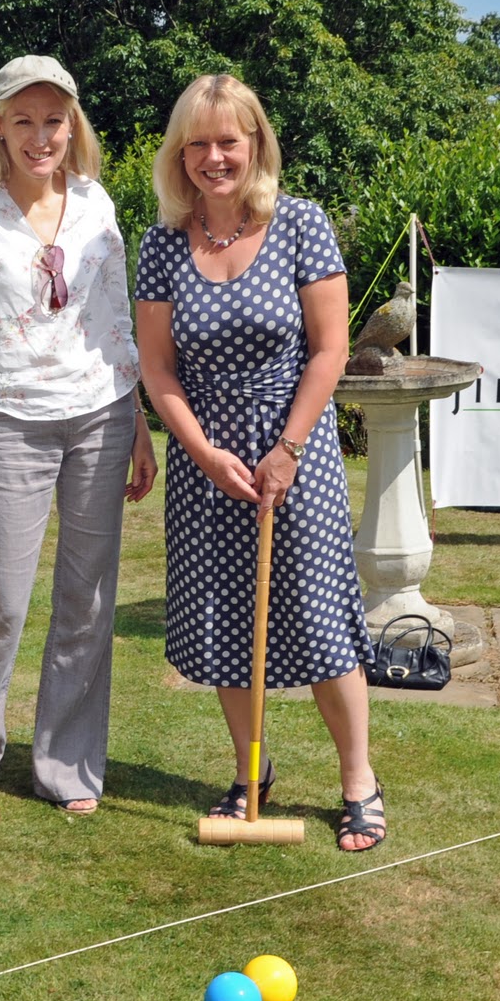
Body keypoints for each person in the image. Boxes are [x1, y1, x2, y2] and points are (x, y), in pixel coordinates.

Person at [134, 74, 386, 851]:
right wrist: (203, 453)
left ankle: (359, 781)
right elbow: (157, 367)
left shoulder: (301, 223)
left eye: (228, 141)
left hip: (295, 452)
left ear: (256, 144)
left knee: (317, 615)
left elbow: (330, 349)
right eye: (198, 144)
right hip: (205, 460)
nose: (214, 157)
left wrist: (288, 448)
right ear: (179, 154)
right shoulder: (162, 242)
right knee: (222, 623)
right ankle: (252, 773)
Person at [0, 55, 156, 814]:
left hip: (102, 414)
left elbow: (116, 319)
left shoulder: (96, 201)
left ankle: (66, 767)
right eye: (24, 121)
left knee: (88, 602)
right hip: (10, 418)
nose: (40, 136)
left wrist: (138, 421)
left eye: (54, 120)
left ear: (72, 125)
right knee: (3, 602)